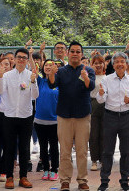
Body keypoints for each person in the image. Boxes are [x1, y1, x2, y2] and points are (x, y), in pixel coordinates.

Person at [48, 41, 95, 191]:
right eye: (72, 51)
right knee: (65, 151)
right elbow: (52, 85)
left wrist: (85, 77)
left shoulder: (88, 70)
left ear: (82, 54)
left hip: (83, 115)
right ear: (68, 53)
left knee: (82, 151)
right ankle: (65, 181)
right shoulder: (61, 71)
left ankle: (82, 180)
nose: (75, 54)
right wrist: (51, 74)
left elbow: (91, 87)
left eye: (78, 51)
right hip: (64, 116)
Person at [96, 52, 129, 191]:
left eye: (122, 61)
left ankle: (124, 181)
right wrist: (101, 94)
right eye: (117, 62)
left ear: (127, 64)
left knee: (126, 151)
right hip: (110, 117)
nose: (120, 64)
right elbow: (100, 99)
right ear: (113, 65)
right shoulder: (106, 80)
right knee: (108, 150)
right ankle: (104, 181)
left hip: (127, 117)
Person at [0, 48, 39, 189]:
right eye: (19, 57)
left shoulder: (31, 75)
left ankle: (23, 177)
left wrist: (33, 82)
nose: (21, 60)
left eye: (24, 58)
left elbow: (35, 96)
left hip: (25, 116)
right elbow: (0, 91)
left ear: (27, 60)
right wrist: (1, 76)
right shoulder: (8, 75)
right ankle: (9, 177)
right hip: (9, 115)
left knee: (24, 148)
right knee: (9, 147)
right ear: (14, 59)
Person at [34, 59, 60, 181]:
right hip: (39, 121)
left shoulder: (59, 83)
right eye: (46, 65)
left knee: (54, 147)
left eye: (51, 65)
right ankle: (45, 170)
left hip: (55, 121)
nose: (48, 67)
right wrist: (29, 54)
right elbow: (33, 67)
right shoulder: (40, 81)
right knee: (43, 147)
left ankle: (54, 170)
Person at [89, 55, 106, 172]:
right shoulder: (89, 77)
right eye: (95, 63)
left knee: (104, 135)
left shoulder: (108, 77)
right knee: (93, 134)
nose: (98, 65)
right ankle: (94, 160)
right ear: (92, 65)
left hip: (106, 106)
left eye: (100, 63)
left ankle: (103, 160)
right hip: (93, 105)